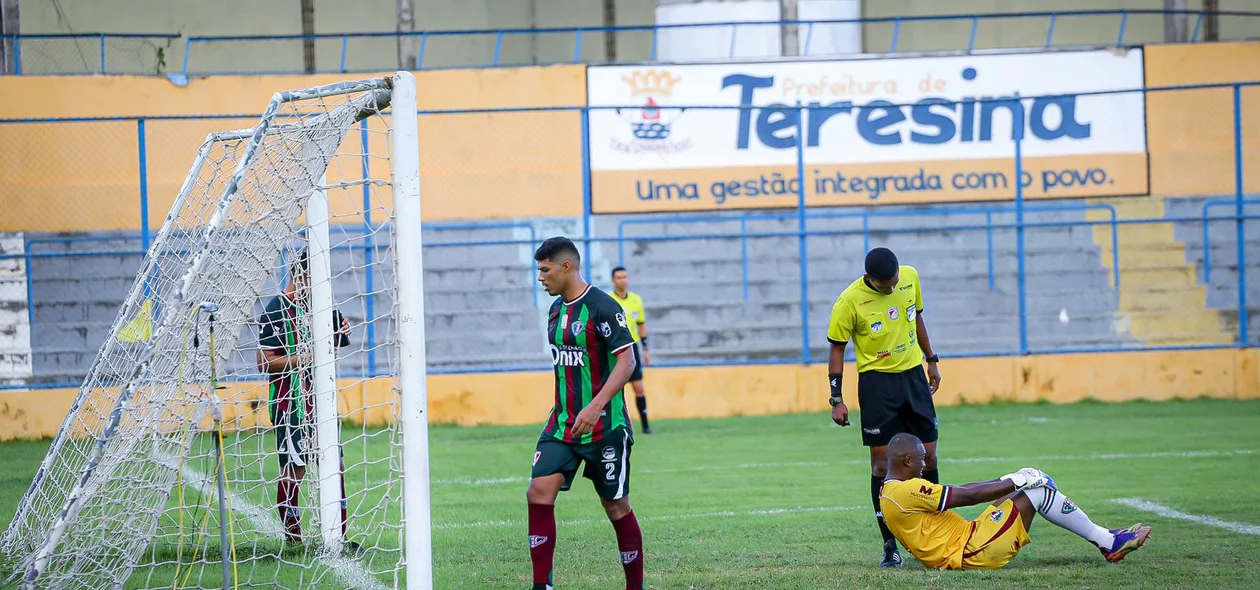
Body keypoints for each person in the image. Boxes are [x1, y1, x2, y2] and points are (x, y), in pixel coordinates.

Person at [526, 237, 644, 590]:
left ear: (566, 267)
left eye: (545, 270)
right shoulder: (555, 311)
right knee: (538, 492)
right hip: (562, 424)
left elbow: (627, 361)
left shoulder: (603, 307)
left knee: (616, 506)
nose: (540, 277)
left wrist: (596, 406)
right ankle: (541, 586)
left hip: (605, 426)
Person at [826, 246, 943, 567]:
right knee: (881, 465)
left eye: (894, 282)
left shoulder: (910, 276)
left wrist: (931, 360)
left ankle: (933, 533)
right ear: (869, 279)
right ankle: (890, 545)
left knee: (928, 455)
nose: (891, 288)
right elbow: (837, 350)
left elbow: (917, 318)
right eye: (885, 285)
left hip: (913, 379)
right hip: (877, 385)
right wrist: (836, 398)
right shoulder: (849, 301)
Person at [880, 433, 1152, 569]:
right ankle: (1108, 544)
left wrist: (1007, 480)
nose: (925, 463)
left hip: (967, 539)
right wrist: (1019, 481)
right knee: (1039, 492)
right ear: (907, 460)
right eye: (921, 458)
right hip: (970, 549)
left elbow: (965, 489)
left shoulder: (891, 493)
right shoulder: (907, 490)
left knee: (1026, 490)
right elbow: (968, 496)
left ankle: (1103, 534)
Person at [256, 249, 354, 548]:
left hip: (321, 400)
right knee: (295, 469)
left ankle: (339, 536)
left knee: (334, 466)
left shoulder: (321, 305)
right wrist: (303, 358)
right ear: (302, 275)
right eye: (318, 276)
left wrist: (343, 331)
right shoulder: (275, 309)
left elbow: (337, 344)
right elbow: (263, 362)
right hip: (291, 404)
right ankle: (293, 537)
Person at [610, 266, 653, 434]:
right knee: (616, 389)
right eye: (619, 277)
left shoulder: (636, 300)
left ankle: (646, 425)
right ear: (613, 281)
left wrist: (646, 349)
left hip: (632, 348)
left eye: (625, 277)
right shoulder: (609, 300)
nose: (623, 280)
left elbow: (641, 325)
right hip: (614, 349)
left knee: (638, 388)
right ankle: (620, 424)